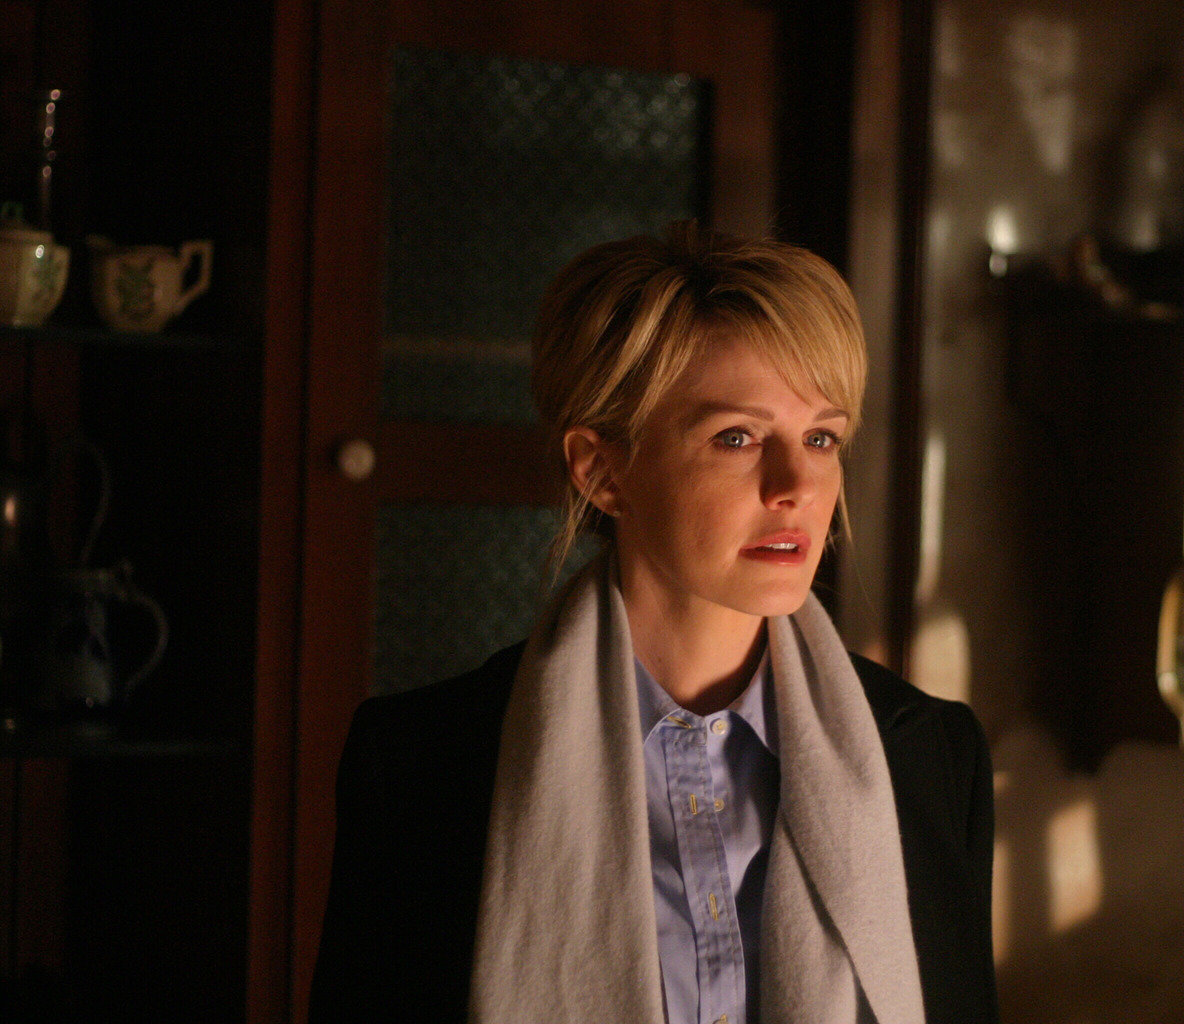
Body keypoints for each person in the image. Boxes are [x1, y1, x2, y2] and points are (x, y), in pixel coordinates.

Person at [308, 222, 997, 1024]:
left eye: (821, 437)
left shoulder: (934, 758)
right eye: (737, 437)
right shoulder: (422, 765)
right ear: (603, 471)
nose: (797, 484)